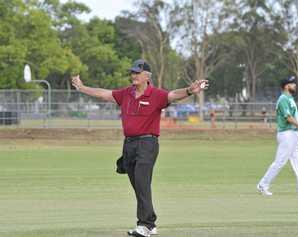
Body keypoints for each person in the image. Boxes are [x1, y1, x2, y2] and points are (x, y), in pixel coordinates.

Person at [72, 59, 208, 237]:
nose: (133, 75)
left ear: (147, 76)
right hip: (129, 145)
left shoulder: (156, 95)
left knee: (142, 182)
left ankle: (144, 225)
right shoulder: (126, 94)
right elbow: (104, 94)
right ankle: (150, 224)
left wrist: (190, 90)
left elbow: (173, 95)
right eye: (132, 72)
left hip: (147, 144)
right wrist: (83, 88)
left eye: (137, 72)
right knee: (138, 185)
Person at [257, 76, 298, 196]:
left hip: (294, 134)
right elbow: (288, 118)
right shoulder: (283, 99)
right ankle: (262, 185)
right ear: (286, 86)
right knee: (280, 162)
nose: (294, 85)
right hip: (286, 134)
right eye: (292, 83)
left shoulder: (290, 98)